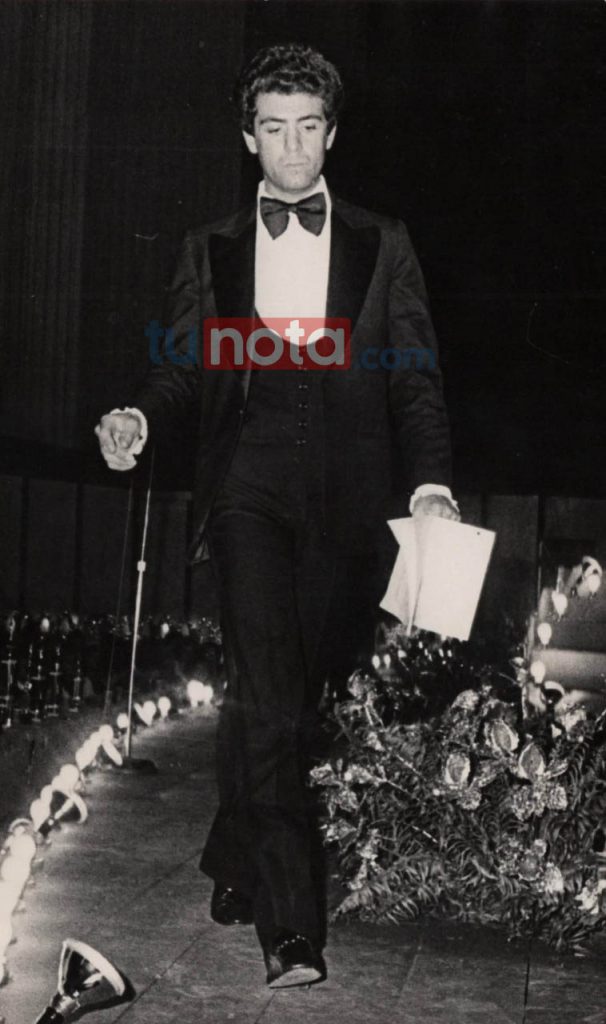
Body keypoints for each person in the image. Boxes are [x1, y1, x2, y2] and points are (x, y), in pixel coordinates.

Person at [95, 43, 459, 989]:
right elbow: (183, 370)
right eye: (273, 128)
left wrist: (429, 483)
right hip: (246, 480)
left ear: (330, 135)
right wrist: (141, 416)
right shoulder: (211, 247)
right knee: (267, 688)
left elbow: (415, 378)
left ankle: (234, 850)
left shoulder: (384, 242)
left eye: (308, 128)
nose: (291, 148)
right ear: (248, 138)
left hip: (349, 492)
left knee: (300, 691)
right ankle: (292, 929)